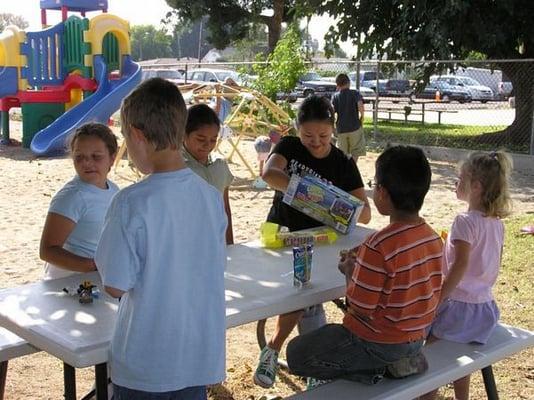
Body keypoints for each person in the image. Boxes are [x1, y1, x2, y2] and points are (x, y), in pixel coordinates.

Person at [95, 78, 227, 400]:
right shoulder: (210, 197)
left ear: (138, 136)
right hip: (195, 358)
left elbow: (115, 284)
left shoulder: (130, 202)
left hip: (146, 364)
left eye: (126, 137)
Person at [285, 145, 444, 387]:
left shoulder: (378, 245)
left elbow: (360, 308)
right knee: (324, 339)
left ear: (382, 193)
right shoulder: (432, 238)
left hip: (375, 342)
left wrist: (350, 272)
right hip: (415, 339)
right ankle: (394, 362)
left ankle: (374, 371)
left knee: (296, 354)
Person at [253, 95, 372, 388]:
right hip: (283, 236)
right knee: (304, 298)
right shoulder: (290, 147)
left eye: (322, 135)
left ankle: (281, 351)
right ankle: (295, 358)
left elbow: (365, 214)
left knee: (309, 298)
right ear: (297, 130)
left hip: (321, 242)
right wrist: (307, 193)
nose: (316, 142)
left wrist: (333, 204)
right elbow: (269, 173)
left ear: (333, 129)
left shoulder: (343, 162)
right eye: (308, 135)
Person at [421, 151, 513, 400]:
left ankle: (425, 395)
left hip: (458, 309)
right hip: (484, 309)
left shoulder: (464, 221)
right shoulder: (497, 223)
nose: (455, 183)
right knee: (461, 357)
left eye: (460, 178)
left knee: (429, 356)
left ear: (475, 187)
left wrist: (438, 298)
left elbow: (460, 266)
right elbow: (489, 262)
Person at [39, 123, 119, 280]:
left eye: (96, 157)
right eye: (79, 157)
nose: (87, 163)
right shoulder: (71, 196)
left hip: (98, 279)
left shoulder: (114, 190)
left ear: (112, 158)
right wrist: (94, 265)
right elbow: (47, 251)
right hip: (69, 284)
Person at [183, 103, 234, 244]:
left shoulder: (220, 165)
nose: (207, 145)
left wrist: (229, 244)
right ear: (183, 134)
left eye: (213, 140)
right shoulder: (176, 167)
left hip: (215, 242)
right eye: (200, 139)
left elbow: (225, 209)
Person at [331, 73, 365, 163]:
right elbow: (360, 106)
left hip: (341, 129)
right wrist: (362, 116)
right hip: (354, 127)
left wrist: (332, 126)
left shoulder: (335, 96)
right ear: (349, 83)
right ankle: (352, 168)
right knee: (355, 151)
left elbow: (332, 112)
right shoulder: (355, 93)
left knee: (342, 153)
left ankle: (343, 171)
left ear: (337, 85)